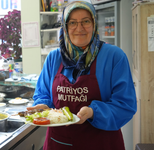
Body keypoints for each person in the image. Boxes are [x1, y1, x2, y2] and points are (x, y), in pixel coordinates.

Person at [27, 1, 137, 150]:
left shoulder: (114, 56)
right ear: (65, 26)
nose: (79, 28)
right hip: (59, 143)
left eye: (85, 21)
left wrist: (93, 112)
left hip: (101, 143)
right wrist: (44, 106)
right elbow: (43, 93)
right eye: (72, 22)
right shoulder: (54, 58)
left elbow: (125, 105)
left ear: (94, 23)